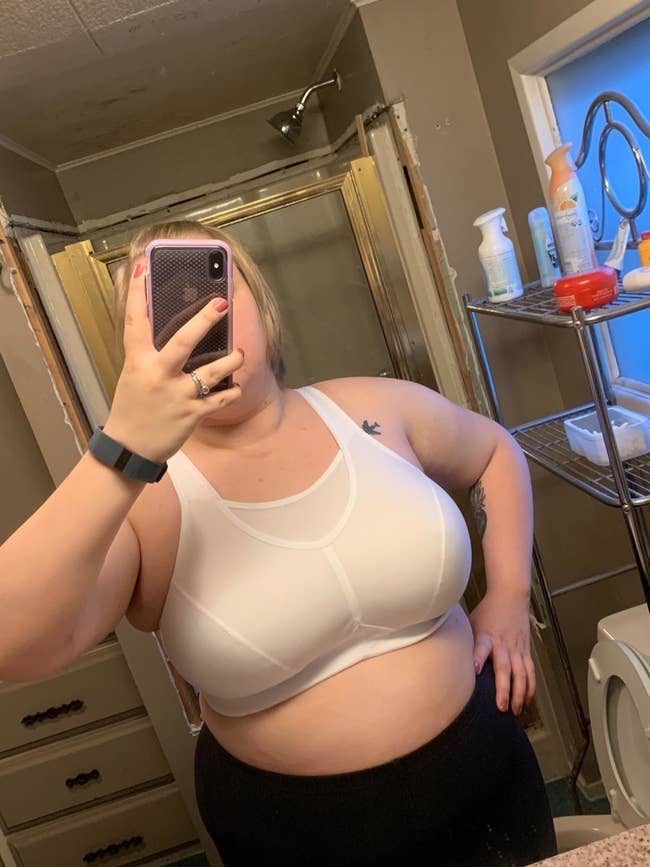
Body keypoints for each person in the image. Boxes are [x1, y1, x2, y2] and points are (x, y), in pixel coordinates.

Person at [0, 220, 557, 866]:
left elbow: (495, 451)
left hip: (485, 773)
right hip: (291, 832)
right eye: (162, 306)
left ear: (261, 305)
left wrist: (510, 594)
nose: (196, 318)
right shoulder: (143, 496)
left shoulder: (376, 407)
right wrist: (124, 444)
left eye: (214, 287)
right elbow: (13, 642)